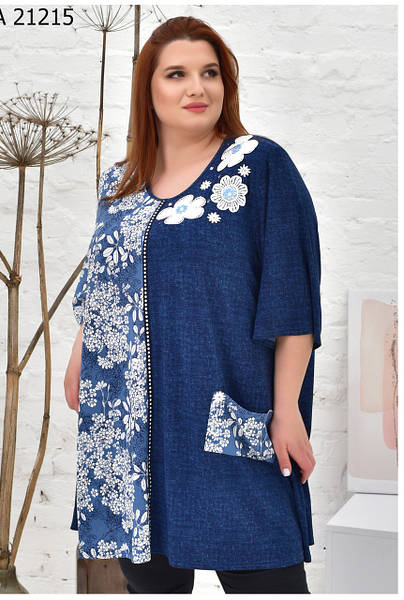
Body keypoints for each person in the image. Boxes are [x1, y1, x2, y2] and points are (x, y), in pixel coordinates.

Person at [64, 15, 322, 594]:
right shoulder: (119, 185)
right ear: (149, 90)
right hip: (129, 433)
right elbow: (105, 280)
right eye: (176, 74)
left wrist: (287, 410)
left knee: (269, 578)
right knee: (150, 583)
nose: (196, 88)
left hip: (227, 411)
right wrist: (82, 350)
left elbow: (292, 297)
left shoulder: (259, 166)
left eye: (210, 73)